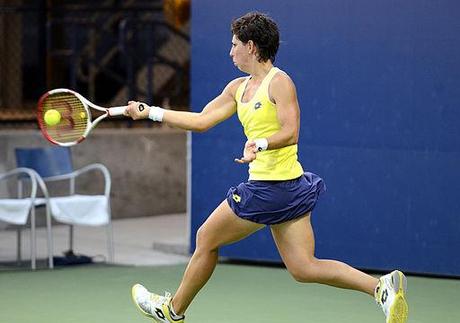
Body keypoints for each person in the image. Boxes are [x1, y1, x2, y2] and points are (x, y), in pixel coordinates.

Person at [124, 11, 408, 323]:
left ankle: (172, 311)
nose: (230, 51)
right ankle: (381, 287)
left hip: (269, 189)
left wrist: (260, 144)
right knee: (304, 268)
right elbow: (202, 121)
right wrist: (150, 112)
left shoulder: (280, 82)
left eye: (235, 45)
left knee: (206, 238)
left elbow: (291, 131)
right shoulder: (236, 88)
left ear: (252, 47)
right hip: (289, 190)